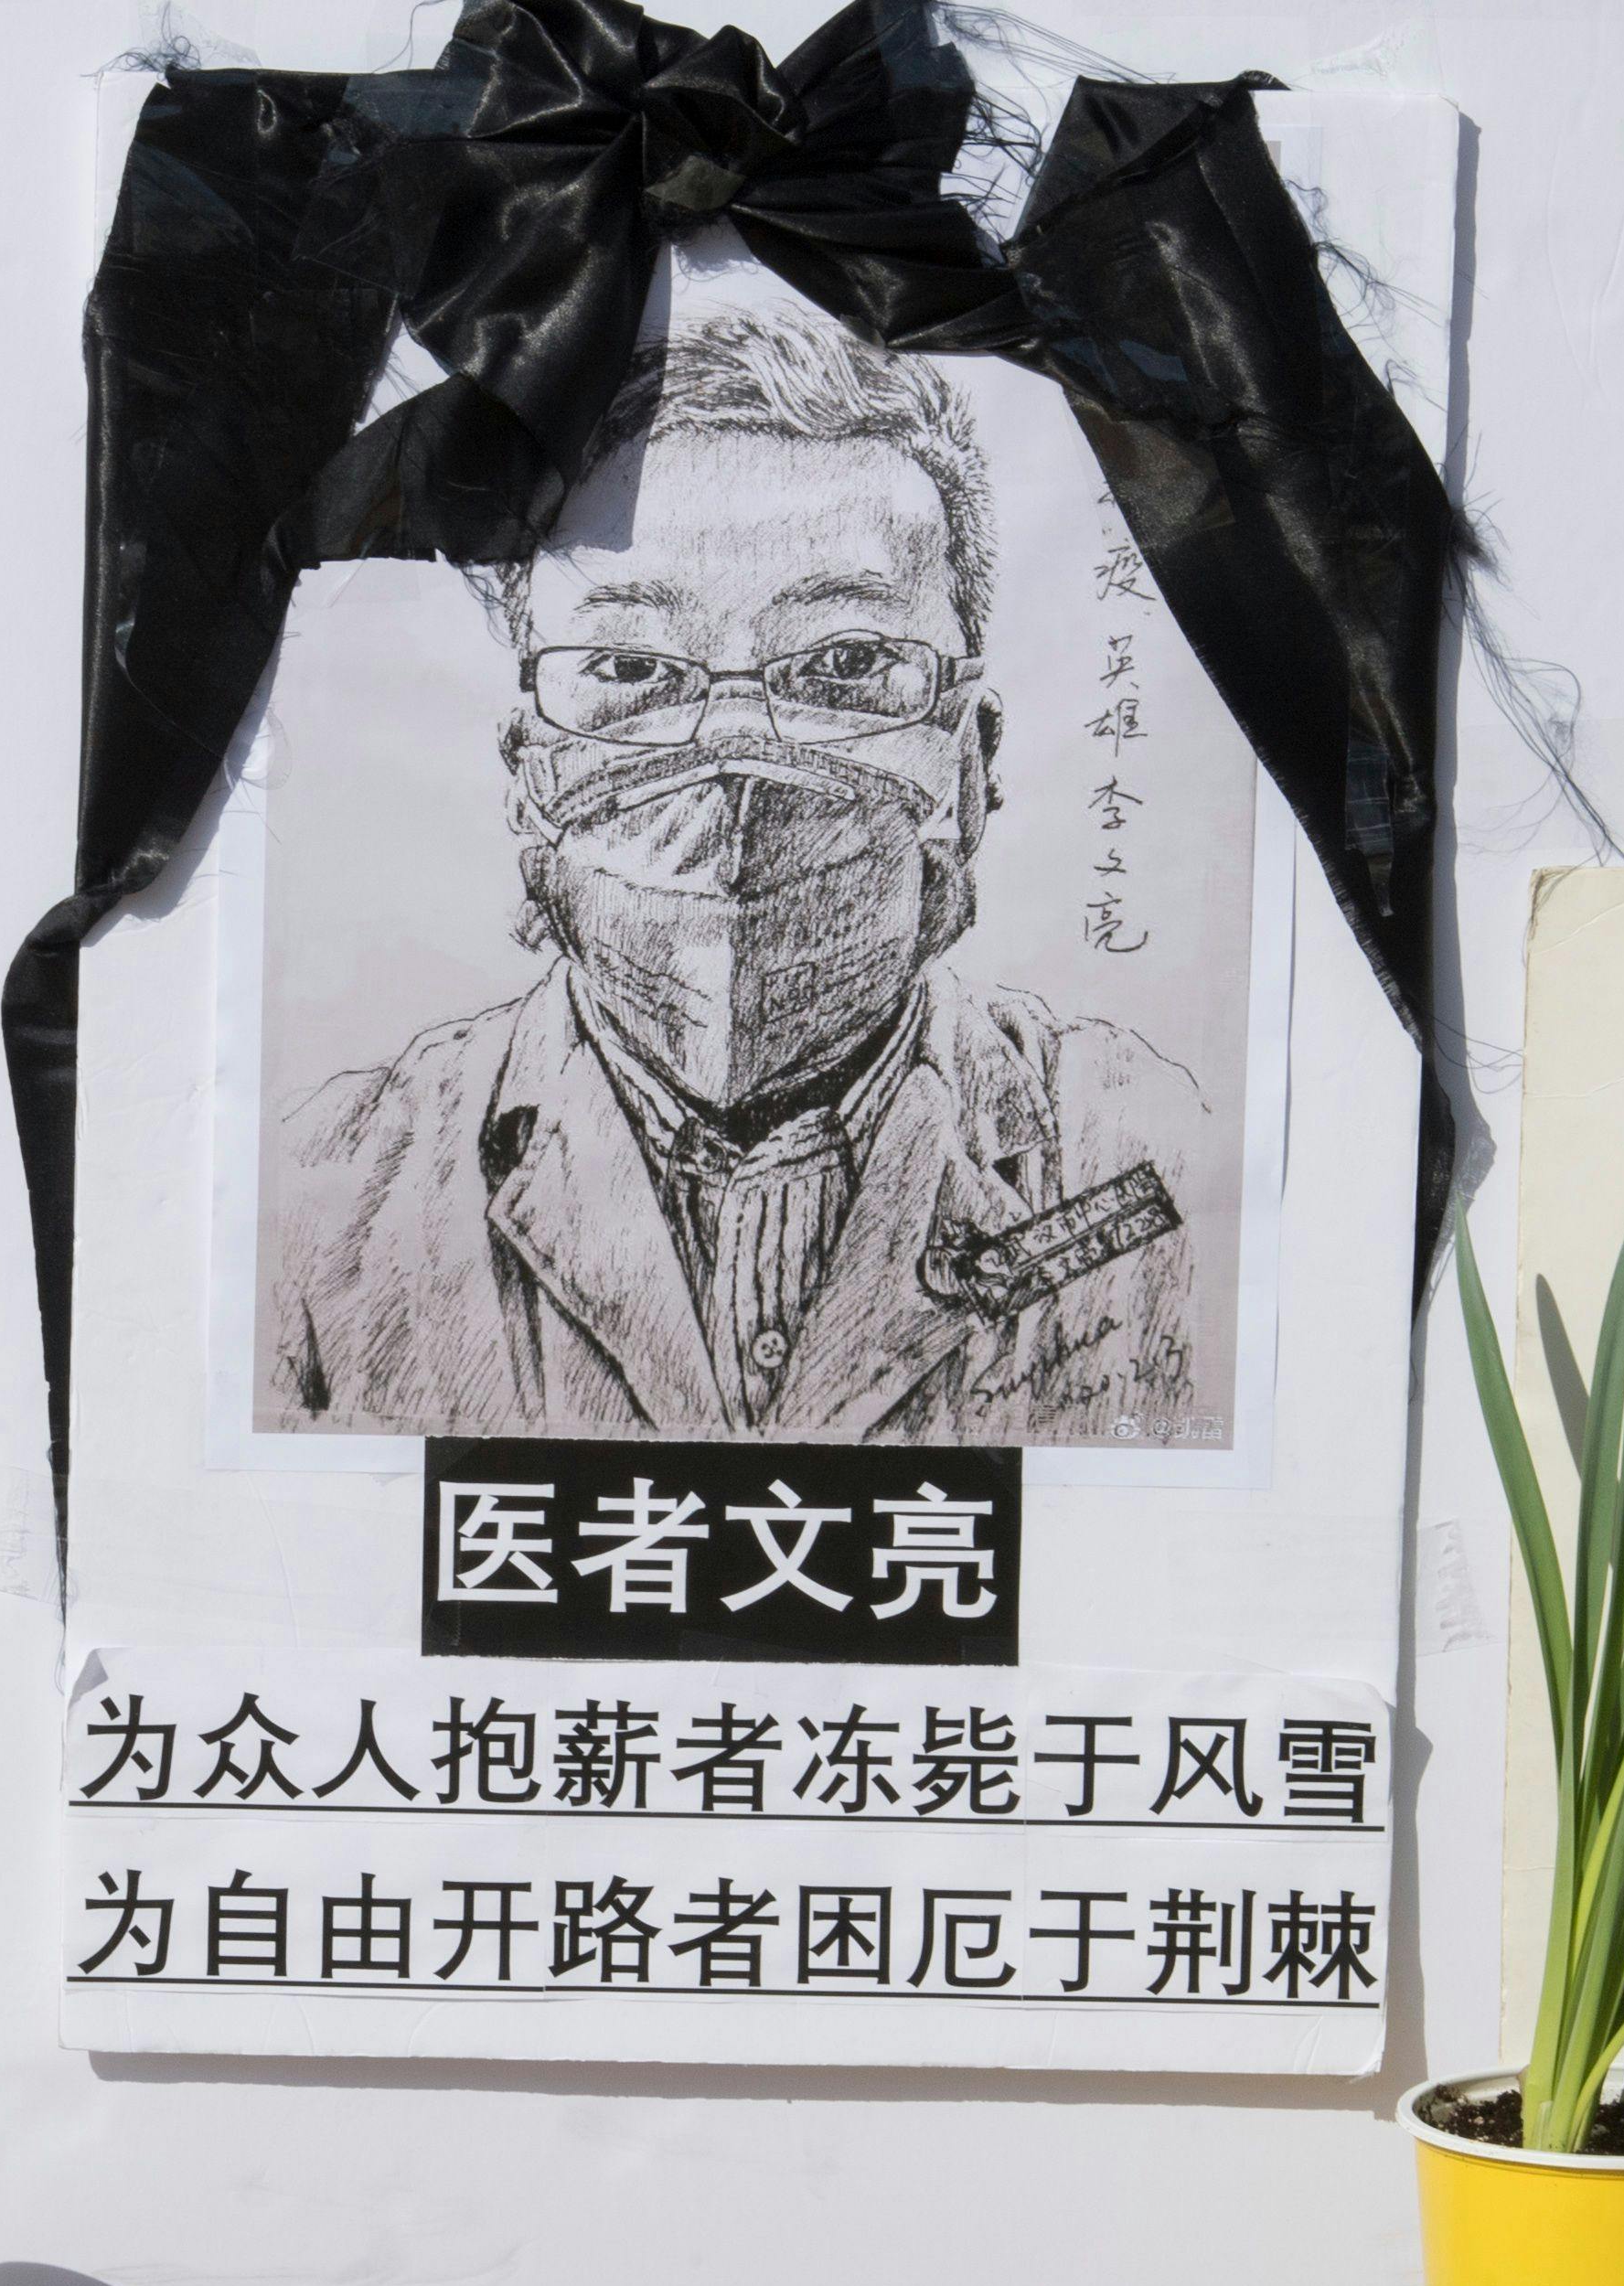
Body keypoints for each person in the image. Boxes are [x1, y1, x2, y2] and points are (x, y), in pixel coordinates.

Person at [266, 303, 1212, 1444]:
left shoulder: (1146, 1149)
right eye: (628, 666)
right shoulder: (329, 1199)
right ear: (525, 768)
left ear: (969, 761)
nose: (731, 766)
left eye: (846, 662)